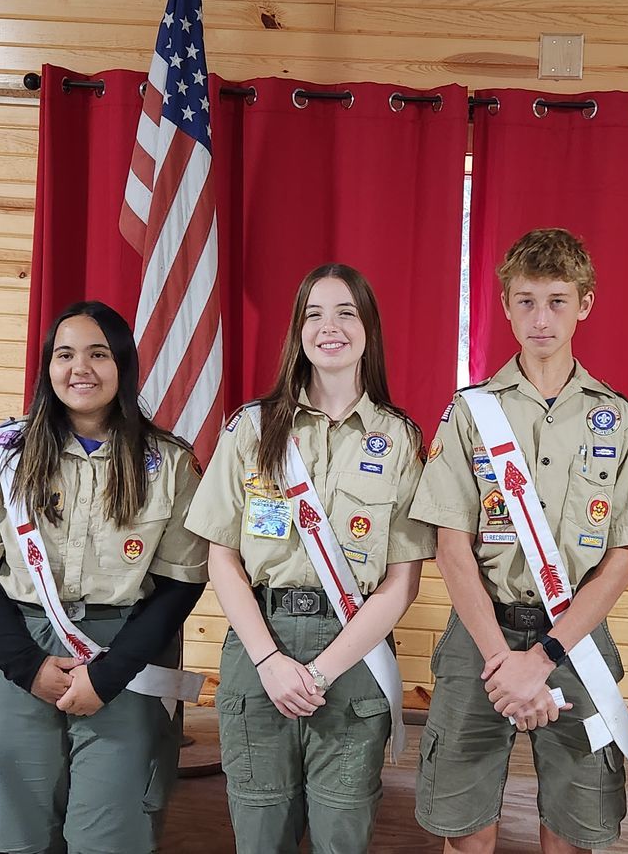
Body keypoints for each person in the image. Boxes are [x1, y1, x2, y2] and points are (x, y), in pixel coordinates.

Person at [409, 228, 628, 854]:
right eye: (525, 301)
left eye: (556, 300)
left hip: (575, 639)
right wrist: (502, 663)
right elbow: (451, 546)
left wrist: (542, 658)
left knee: (578, 816)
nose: (540, 318)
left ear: (585, 304)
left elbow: (620, 561)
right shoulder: (472, 411)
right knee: (462, 817)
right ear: (505, 305)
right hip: (480, 635)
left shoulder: (618, 418)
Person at [0, 300, 209, 854]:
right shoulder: (3, 453)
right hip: (15, 644)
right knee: (19, 831)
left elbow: (181, 582)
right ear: (48, 366)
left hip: (124, 650)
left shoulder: (169, 461)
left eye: (98, 354)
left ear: (122, 366)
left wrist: (109, 676)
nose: (79, 368)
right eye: (65, 354)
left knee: (110, 831)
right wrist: (28, 667)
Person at [183, 263, 431, 853]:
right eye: (314, 313)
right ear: (297, 331)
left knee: (342, 833)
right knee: (259, 830)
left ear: (368, 328)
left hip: (353, 649)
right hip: (258, 640)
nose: (330, 327)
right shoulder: (252, 429)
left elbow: (401, 585)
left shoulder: (399, 440)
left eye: (347, 312)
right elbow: (222, 559)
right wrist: (269, 659)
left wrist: (320, 671)